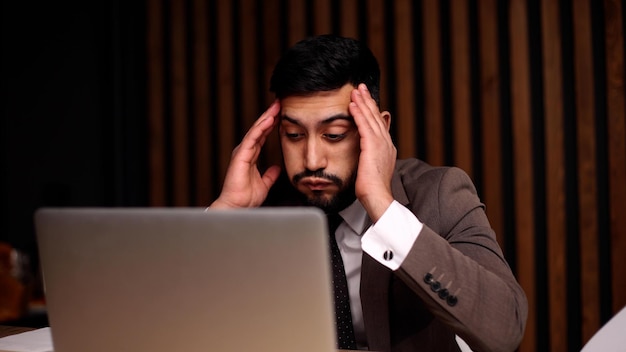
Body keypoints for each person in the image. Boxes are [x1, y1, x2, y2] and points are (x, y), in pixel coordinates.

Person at [209, 34, 528, 352]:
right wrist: (224, 217)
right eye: (293, 135)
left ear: (377, 128)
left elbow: (505, 330)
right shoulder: (263, 213)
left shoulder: (440, 194)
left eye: (334, 135)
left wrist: (383, 207)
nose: (312, 160)